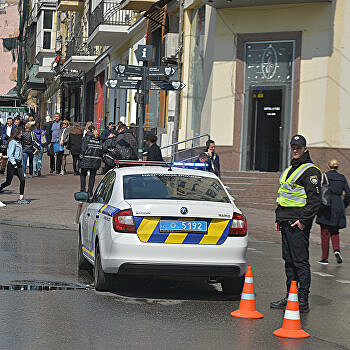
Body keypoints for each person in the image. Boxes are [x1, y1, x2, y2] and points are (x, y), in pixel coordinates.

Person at [271, 135, 321, 313]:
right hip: (285, 221)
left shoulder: (311, 171)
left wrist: (303, 221)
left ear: (305, 149)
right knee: (289, 261)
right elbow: (283, 197)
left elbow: (315, 201)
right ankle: (290, 296)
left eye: (298, 147)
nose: (295, 149)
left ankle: (302, 300)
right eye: (293, 146)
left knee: (300, 262)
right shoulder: (289, 170)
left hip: (297, 223)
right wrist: (278, 218)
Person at [316, 159, 350, 265]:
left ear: (329, 166)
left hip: (326, 205)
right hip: (338, 205)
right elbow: (348, 194)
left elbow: (318, 191)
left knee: (325, 232)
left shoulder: (324, 176)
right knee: (335, 231)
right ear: (337, 167)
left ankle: (324, 258)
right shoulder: (342, 178)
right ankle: (336, 250)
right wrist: (343, 205)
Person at [0, 128, 29, 204]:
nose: (21, 134)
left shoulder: (19, 142)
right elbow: (10, 154)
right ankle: (0, 187)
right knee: (8, 182)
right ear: (17, 133)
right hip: (12, 165)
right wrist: (14, 164)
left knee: (22, 180)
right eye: (20, 133)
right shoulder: (12, 142)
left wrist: (19, 163)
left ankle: (21, 198)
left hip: (18, 164)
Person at [79, 125, 103, 197]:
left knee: (83, 174)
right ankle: (90, 192)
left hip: (86, 158)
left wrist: (81, 156)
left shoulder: (86, 138)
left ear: (88, 130)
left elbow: (83, 148)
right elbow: (101, 149)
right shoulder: (99, 139)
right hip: (95, 159)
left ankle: (83, 190)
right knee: (92, 176)